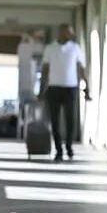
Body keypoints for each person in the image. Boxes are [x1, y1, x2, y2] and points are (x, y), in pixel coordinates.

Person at [39, 24, 90, 161]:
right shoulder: (50, 48)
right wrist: (41, 89)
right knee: (55, 121)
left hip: (70, 88)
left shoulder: (75, 48)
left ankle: (69, 146)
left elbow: (80, 68)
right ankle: (59, 150)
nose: (70, 35)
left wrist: (87, 86)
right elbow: (45, 70)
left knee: (70, 120)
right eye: (68, 32)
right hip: (54, 88)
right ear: (61, 32)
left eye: (71, 33)